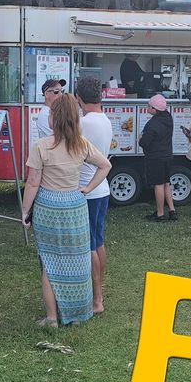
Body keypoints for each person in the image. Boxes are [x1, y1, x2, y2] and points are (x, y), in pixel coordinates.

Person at [21, 95, 111, 327]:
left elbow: (33, 182)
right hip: (75, 204)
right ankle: (77, 315)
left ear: (54, 119)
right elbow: (105, 165)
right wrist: (88, 188)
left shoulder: (42, 146)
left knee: (50, 262)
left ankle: (52, 317)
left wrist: (24, 211)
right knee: (77, 261)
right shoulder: (81, 144)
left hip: (48, 207)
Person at [76, 77, 113, 315]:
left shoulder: (84, 123)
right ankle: (99, 289)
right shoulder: (105, 119)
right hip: (102, 188)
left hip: (86, 189)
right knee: (98, 241)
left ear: (80, 98)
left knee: (88, 244)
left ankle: (96, 298)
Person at [140, 94, 176, 222]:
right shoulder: (169, 118)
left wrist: (140, 138)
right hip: (168, 156)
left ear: (155, 109)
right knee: (167, 183)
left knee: (158, 185)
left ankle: (160, 213)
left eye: (149, 106)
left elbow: (144, 142)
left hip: (156, 157)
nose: (147, 108)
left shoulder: (152, 124)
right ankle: (172, 211)